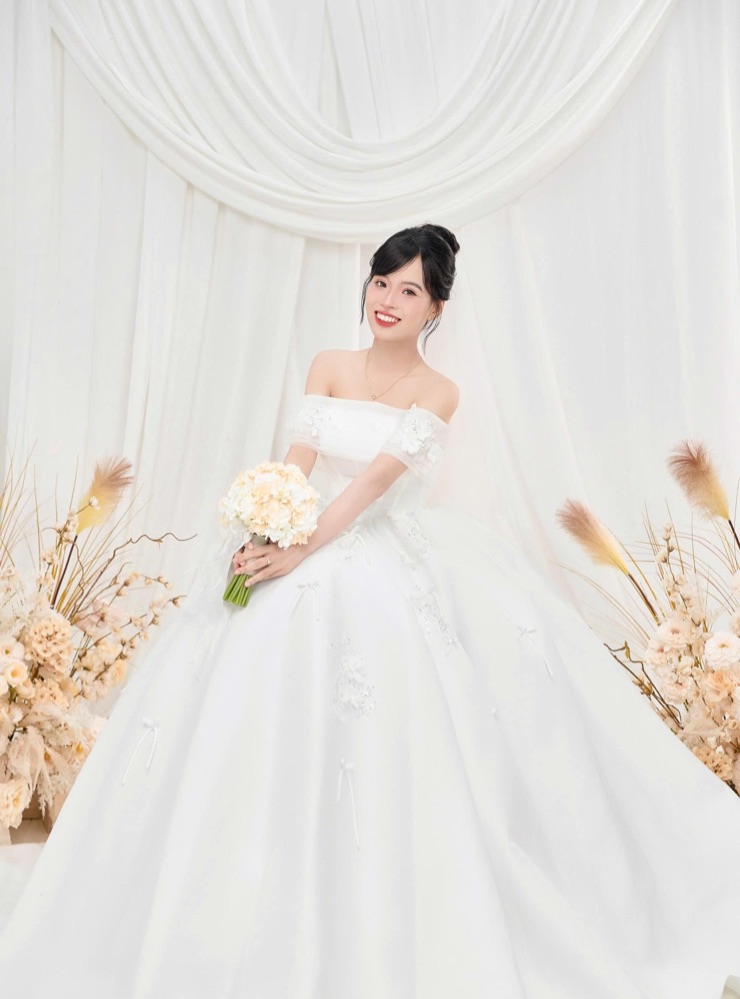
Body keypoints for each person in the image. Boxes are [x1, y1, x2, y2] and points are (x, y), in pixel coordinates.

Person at [0, 223, 739, 999]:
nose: (387, 299)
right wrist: (267, 525)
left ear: (435, 307)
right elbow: (298, 466)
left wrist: (301, 549)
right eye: (381, 281)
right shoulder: (329, 362)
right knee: (241, 648)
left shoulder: (438, 391)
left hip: (377, 542)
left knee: (374, 653)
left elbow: (370, 486)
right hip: (301, 527)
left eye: (408, 289)